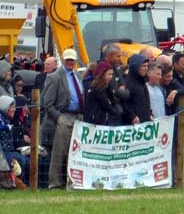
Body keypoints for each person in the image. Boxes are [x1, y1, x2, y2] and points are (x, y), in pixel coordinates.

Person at [41, 48, 85, 189]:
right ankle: (55, 183)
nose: (70, 62)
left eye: (72, 60)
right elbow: (46, 102)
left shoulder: (77, 76)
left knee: (75, 151)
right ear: (63, 60)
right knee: (59, 151)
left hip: (77, 116)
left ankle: (72, 182)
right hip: (63, 115)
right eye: (68, 60)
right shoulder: (54, 77)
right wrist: (58, 117)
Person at [84, 61, 124, 126]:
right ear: (102, 74)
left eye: (112, 74)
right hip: (96, 121)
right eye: (109, 74)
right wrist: (118, 112)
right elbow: (106, 105)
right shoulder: (98, 89)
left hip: (100, 119)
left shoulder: (105, 86)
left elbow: (112, 99)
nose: (111, 77)